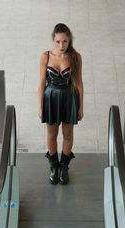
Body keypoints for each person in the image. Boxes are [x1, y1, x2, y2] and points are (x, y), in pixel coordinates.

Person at [38, 23, 84, 185]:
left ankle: (64, 167)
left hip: (70, 98)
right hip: (50, 98)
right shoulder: (46, 56)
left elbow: (79, 83)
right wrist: (40, 106)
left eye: (65, 41)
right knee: (51, 134)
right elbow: (42, 82)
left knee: (68, 133)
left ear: (69, 40)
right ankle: (53, 167)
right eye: (58, 41)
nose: (61, 45)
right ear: (53, 40)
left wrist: (81, 106)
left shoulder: (75, 57)